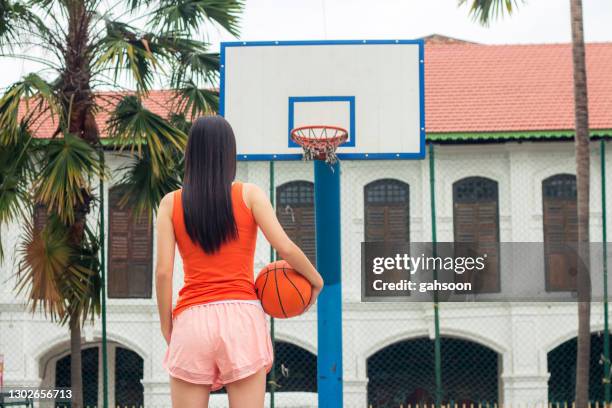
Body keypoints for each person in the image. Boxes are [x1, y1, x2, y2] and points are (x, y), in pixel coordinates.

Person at [155, 115, 324, 408]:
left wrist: (166, 324)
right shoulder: (249, 194)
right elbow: (284, 247)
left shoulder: (170, 203)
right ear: (228, 154)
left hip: (192, 317)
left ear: (191, 154)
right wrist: (316, 280)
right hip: (241, 317)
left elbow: (163, 273)